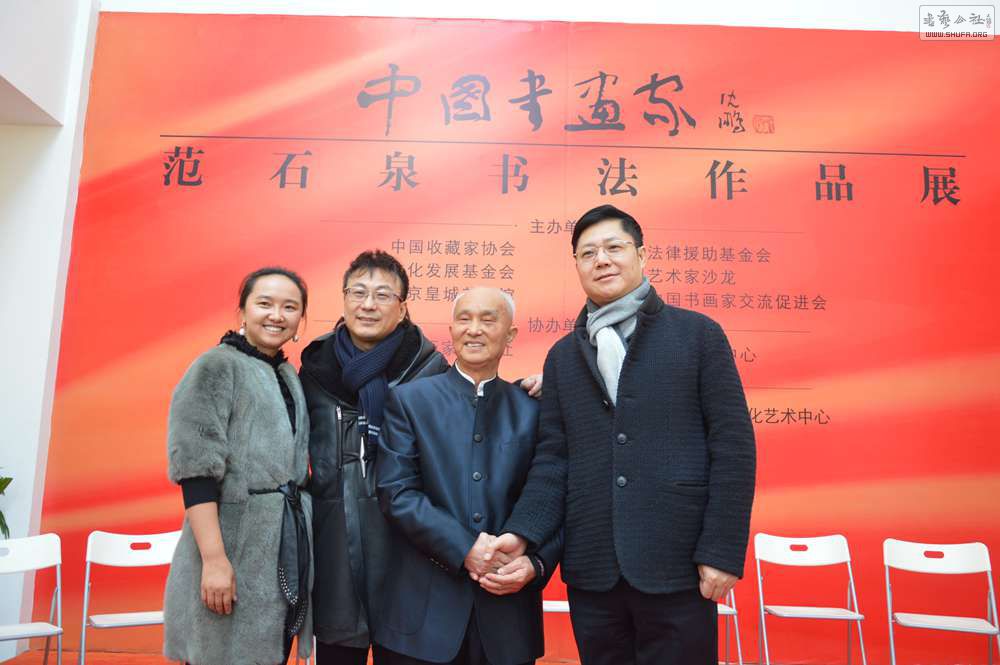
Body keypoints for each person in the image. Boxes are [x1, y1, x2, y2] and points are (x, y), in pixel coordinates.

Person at [488, 205, 757, 665]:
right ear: (576, 265)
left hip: (677, 564)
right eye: (588, 253)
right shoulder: (563, 358)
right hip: (594, 569)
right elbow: (553, 461)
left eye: (614, 247)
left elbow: (733, 448)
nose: (602, 260)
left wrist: (721, 551)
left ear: (642, 255)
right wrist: (522, 532)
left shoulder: (697, 336)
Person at [300, 252, 543, 665]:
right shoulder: (312, 371)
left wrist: (534, 392)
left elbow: (481, 413)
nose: (368, 304)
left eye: (382, 294)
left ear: (403, 308)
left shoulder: (428, 368)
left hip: (420, 560)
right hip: (340, 545)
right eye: (358, 292)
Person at [375, 287, 562, 665]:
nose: (474, 329)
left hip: (508, 616)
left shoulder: (533, 409)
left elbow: (555, 496)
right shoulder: (409, 401)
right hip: (420, 617)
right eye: (464, 319)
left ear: (510, 334)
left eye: (488, 320)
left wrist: (536, 564)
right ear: (451, 330)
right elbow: (396, 493)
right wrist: (465, 548)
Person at [164, 267, 313, 665]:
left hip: (279, 549)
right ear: (242, 311)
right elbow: (196, 470)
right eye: (265, 303)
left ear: (301, 319)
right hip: (231, 545)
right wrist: (214, 561)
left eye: (289, 307)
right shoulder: (215, 366)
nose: (276, 315)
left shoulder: (286, 374)